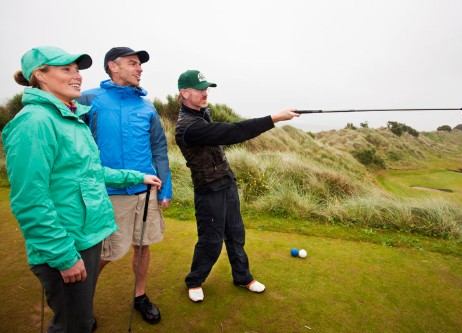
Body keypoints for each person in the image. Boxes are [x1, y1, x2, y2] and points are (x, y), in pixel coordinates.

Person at [2, 46, 162, 333]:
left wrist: (136, 176)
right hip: (67, 242)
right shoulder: (34, 122)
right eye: (66, 69)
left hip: (85, 234)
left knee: (81, 320)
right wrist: (63, 256)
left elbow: (88, 172)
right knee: (73, 325)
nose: (77, 76)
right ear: (40, 75)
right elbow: (30, 200)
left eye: (77, 70)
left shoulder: (70, 117)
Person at [175, 70, 300, 302]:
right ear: (184, 92)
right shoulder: (188, 127)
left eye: (206, 88)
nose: (205, 93)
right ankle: (195, 280)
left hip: (226, 182)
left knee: (235, 233)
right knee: (211, 240)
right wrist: (274, 118)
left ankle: (243, 277)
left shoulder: (203, 114)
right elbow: (233, 132)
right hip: (208, 189)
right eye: (200, 89)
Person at [77, 47, 172, 324]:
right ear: (113, 66)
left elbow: (159, 149)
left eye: (140, 64)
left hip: (146, 190)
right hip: (109, 192)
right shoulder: (90, 99)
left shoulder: (147, 106)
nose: (139, 68)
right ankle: (80, 303)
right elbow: (75, 145)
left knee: (143, 246)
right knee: (105, 253)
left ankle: (139, 295)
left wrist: (164, 188)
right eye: (133, 63)